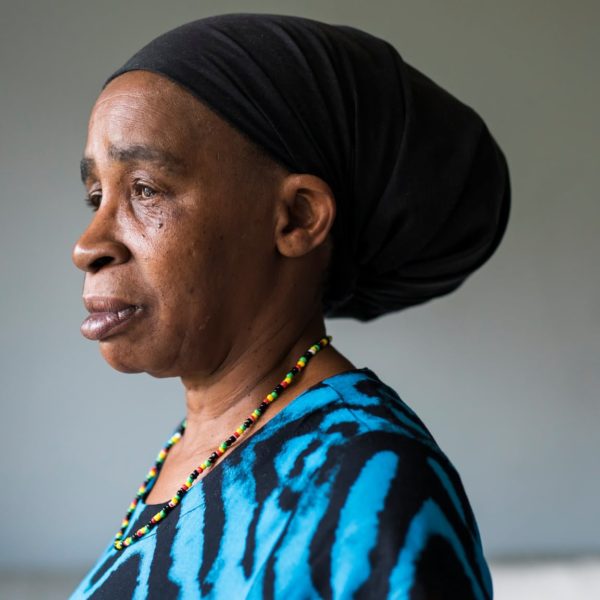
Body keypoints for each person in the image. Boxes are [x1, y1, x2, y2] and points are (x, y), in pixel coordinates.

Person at [69, 13, 509, 599]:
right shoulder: (208, 445)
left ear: (297, 218)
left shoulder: (369, 484)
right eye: (96, 195)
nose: (88, 245)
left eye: (145, 189)